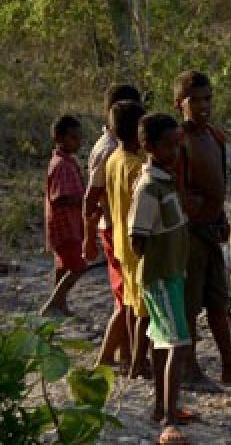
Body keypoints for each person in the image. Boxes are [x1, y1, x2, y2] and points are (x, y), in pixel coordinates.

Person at [173, 71, 231, 388]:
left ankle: (229, 362)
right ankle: (189, 367)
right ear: (180, 104)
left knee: (217, 300)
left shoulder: (214, 136)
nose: (204, 106)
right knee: (190, 304)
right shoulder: (178, 140)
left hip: (211, 228)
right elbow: (178, 189)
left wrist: (221, 217)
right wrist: (196, 210)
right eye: (196, 100)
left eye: (208, 99)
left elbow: (219, 183)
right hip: (189, 232)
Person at [127, 113, 192, 443]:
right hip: (161, 276)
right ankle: (168, 419)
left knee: (163, 341)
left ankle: (162, 407)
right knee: (178, 343)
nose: (175, 151)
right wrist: (154, 264)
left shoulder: (164, 179)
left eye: (176, 144)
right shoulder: (149, 186)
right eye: (168, 146)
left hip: (171, 273)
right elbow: (136, 237)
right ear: (149, 146)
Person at [84, 83, 142, 368]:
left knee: (128, 297)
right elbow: (90, 196)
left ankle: (126, 353)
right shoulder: (109, 151)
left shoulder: (116, 149)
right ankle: (106, 358)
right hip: (116, 230)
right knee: (127, 300)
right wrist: (88, 236)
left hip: (117, 228)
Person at [106, 99, 152, 379]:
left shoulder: (113, 160)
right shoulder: (137, 167)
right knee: (143, 309)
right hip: (138, 246)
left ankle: (132, 358)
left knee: (130, 304)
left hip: (121, 242)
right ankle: (138, 361)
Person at [40, 115, 87, 317]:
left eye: (79, 138)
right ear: (59, 138)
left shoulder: (66, 161)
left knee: (63, 267)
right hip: (66, 226)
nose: (78, 142)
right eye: (73, 138)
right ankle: (52, 304)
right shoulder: (62, 165)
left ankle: (60, 304)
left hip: (69, 225)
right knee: (78, 266)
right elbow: (60, 198)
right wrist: (81, 201)